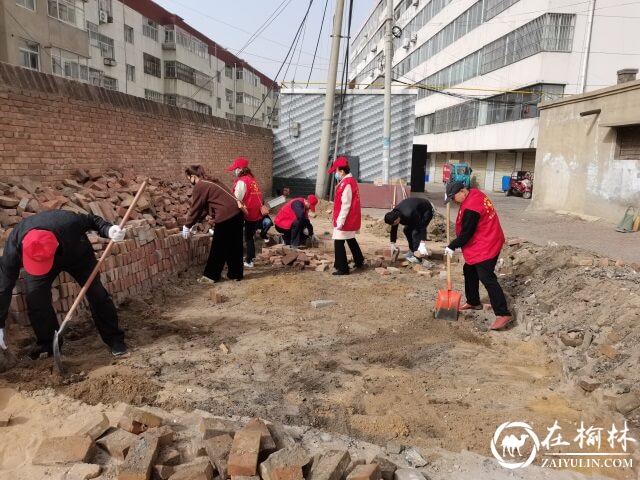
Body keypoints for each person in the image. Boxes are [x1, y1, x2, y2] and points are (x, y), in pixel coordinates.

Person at [0, 210, 128, 359]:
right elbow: (4, 285)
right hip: (39, 259)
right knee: (35, 298)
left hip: (77, 255)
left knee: (96, 293)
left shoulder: (68, 222)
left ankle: (115, 339)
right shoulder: (15, 243)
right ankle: (48, 345)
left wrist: (109, 230)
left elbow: (93, 220)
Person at [443, 181, 513, 330]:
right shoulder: (474, 193)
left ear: (462, 191)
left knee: (486, 276)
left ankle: (503, 313)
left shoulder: (471, 208)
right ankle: (473, 302)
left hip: (488, 242)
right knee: (469, 269)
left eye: (453, 197)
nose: (453, 201)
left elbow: (467, 234)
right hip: (485, 236)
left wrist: (452, 246)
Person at [183, 165, 244, 283]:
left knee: (218, 247)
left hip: (226, 216)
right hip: (237, 213)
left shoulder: (200, 186)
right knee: (234, 246)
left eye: (188, 178)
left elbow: (197, 207)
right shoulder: (211, 181)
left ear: (193, 176)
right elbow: (206, 207)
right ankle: (235, 274)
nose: (189, 180)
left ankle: (210, 276)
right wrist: (196, 222)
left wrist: (187, 225)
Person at [329, 157, 364, 275]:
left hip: (346, 219)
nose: (335, 173)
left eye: (336, 171)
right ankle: (359, 260)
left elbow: (346, 204)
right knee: (350, 238)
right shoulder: (348, 181)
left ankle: (342, 268)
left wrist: (340, 220)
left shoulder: (347, 183)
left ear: (341, 171)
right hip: (349, 218)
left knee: (338, 242)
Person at [227, 157, 264, 268]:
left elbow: (237, 198)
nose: (235, 171)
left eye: (236, 169)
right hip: (256, 213)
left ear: (240, 169)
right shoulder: (252, 180)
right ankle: (250, 257)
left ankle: (248, 260)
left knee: (246, 236)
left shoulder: (242, 181)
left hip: (246, 212)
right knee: (250, 236)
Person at [384, 197, 434, 264]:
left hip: (425, 211)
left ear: (397, 219)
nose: (394, 225)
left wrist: (422, 242)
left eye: (394, 223)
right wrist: (392, 243)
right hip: (415, 210)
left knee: (415, 232)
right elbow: (394, 229)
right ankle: (412, 250)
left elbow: (422, 227)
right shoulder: (394, 214)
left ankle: (418, 257)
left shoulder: (409, 213)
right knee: (406, 230)